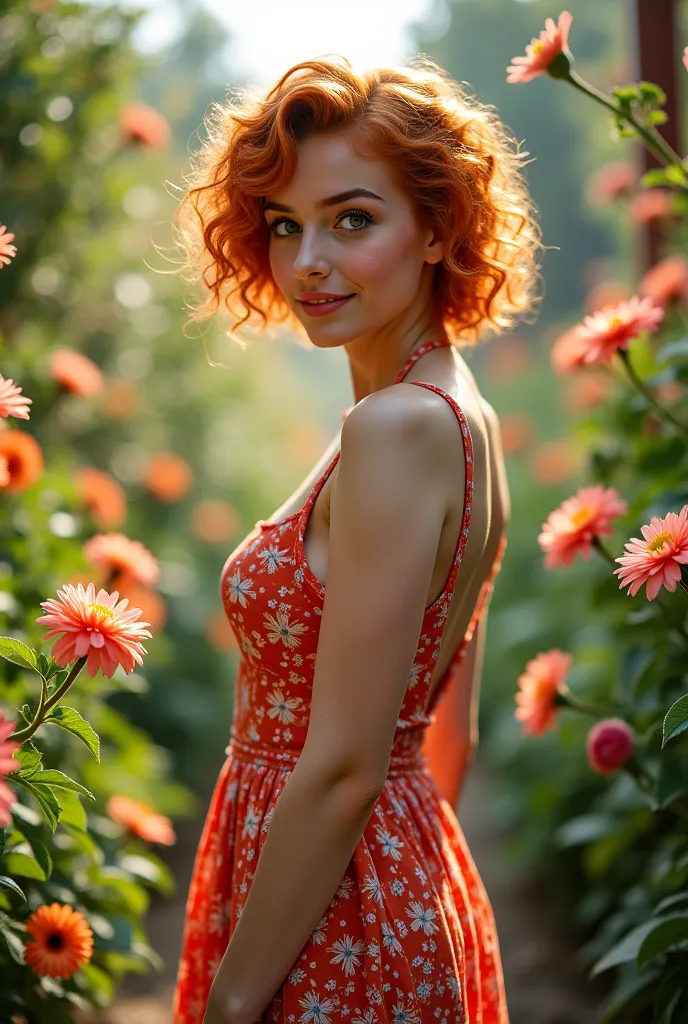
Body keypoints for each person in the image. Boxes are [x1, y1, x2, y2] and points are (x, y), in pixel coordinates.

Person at [172, 54, 542, 1024]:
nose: (308, 263)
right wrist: (406, 887)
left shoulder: (395, 429)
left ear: (435, 228)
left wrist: (235, 996)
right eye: (286, 226)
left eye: (352, 218)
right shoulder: (463, 419)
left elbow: (343, 764)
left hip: (330, 916)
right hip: (380, 883)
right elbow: (442, 732)